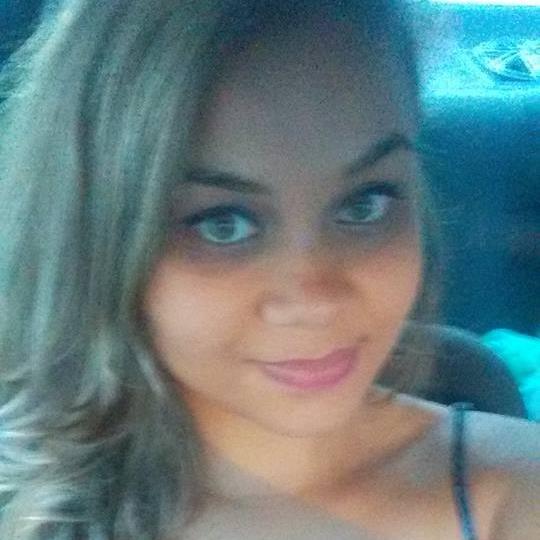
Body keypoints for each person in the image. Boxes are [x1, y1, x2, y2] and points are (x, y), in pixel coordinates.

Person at [0, 0, 537, 539]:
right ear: (94, 240)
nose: (316, 298)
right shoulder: (35, 503)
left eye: (364, 204)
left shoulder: (514, 495)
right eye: (223, 224)